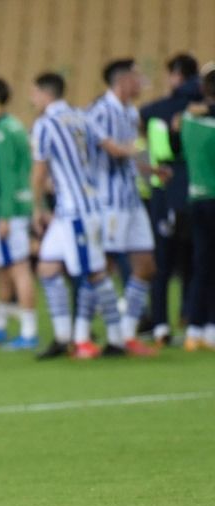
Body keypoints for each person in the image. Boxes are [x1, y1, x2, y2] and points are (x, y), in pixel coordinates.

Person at [29, 72, 126, 360]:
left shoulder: (45, 124)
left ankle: (114, 337)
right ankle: (63, 336)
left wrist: (36, 207)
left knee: (93, 272)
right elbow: (112, 149)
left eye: (34, 94)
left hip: (77, 212)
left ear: (46, 95)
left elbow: (39, 171)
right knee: (46, 267)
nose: (32, 100)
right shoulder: (83, 117)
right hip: (78, 207)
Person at [87, 59, 159, 356]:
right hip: (108, 201)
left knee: (146, 266)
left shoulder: (131, 111)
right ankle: (85, 331)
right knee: (103, 265)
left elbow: (130, 153)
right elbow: (113, 149)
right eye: (136, 76)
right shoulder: (100, 110)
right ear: (122, 80)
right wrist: (136, 152)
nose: (140, 81)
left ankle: (127, 333)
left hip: (131, 196)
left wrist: (149, 170)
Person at [142, 54, 203, 345]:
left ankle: (160, 325)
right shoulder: (202, 109)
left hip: (164, 192)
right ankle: (192, 318)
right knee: (196, 260)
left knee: (162, 263)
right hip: (199, 193)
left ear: (176, 74)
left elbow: (144, 115)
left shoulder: (159, 110)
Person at [0, 78, 38, 350]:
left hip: (9, 209)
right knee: (4, 268)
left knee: (19, 269)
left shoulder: (3, 131)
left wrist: (3, 215)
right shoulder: (10, 126)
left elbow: (9, 175)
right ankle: (0, 324)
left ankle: (29, 330)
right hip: (14, 206)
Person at [178, 68, 215, 351]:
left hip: (196, 199)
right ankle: (212, 329)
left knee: (202, 265)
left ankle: (194, 329)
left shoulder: (189, 120)